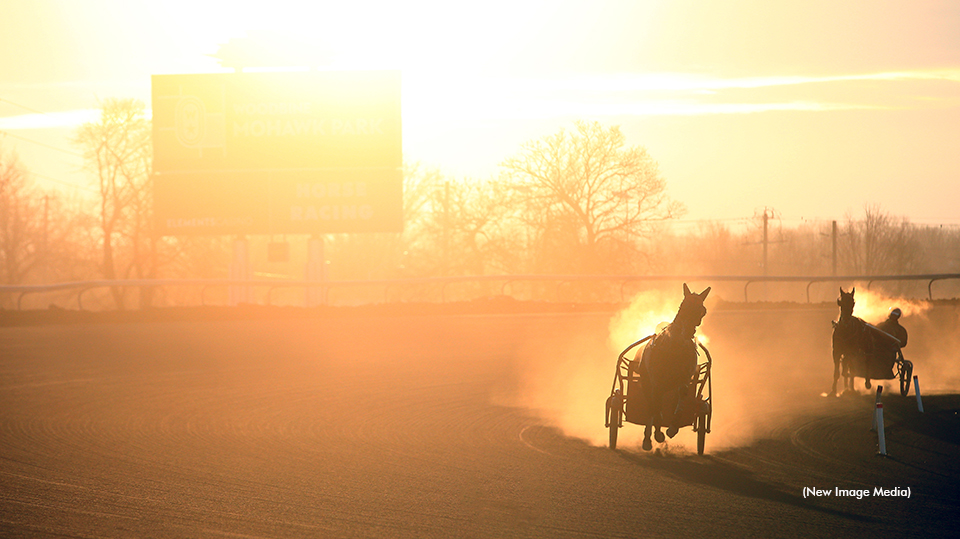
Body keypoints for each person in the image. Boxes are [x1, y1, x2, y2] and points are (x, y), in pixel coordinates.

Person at [874, 307, 908, 378]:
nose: (893, 316)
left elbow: (903, 342)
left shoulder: (900, 330)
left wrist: (895, 346)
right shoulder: (881, 325)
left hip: (889, 350)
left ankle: (886, 371)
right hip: (877, 349)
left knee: (889, 356)